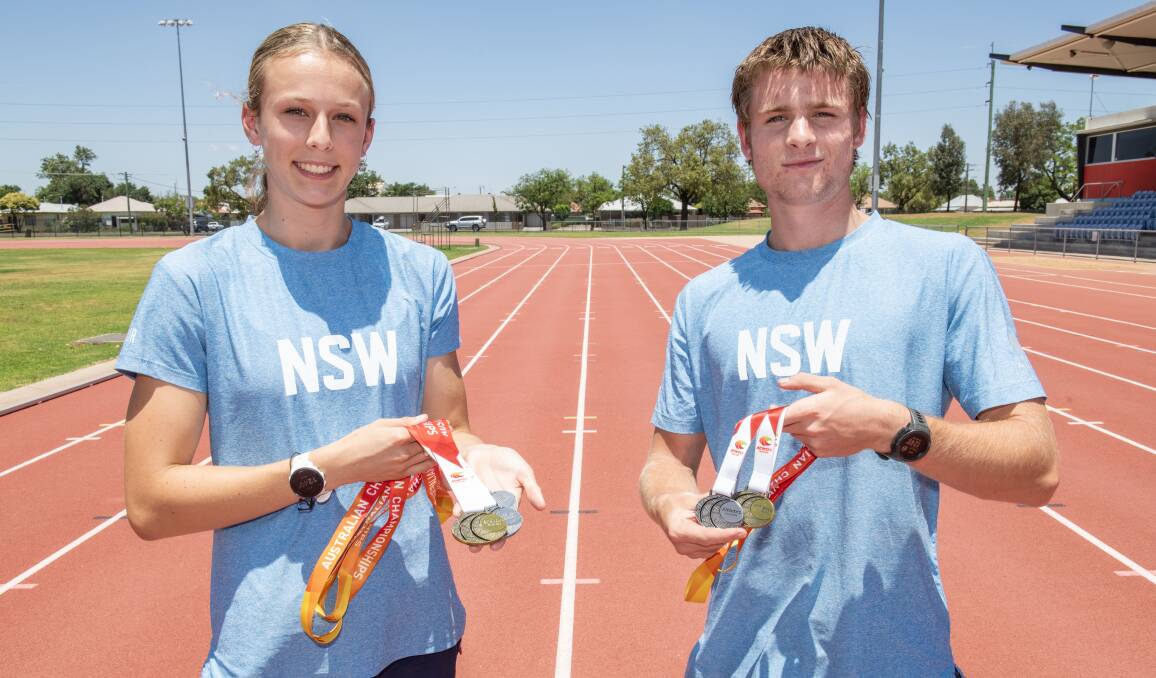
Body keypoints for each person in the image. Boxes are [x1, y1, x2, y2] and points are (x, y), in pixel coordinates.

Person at [118, 23, 544, 678]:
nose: (320, 140)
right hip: (273, 649)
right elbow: (151, 501)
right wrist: (325, 467)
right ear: (252, 123)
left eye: (343, 118)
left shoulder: (420, 274)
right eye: (295, 112)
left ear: (366, 135)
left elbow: (451, 427)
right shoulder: (194, 283)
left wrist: (482, 465)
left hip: (418, 636)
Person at [639, 27, 1059, 677]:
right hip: (734, 659)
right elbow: (666, 460)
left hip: (899, 658)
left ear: (859, 127)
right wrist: (672, 505)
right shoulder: (704, 301)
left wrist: (895, 429)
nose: (800, 136)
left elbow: (1036, 463)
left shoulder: (945, 268)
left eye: (824, 114)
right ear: (747, 140)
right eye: (776, 118)